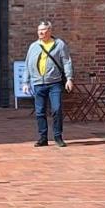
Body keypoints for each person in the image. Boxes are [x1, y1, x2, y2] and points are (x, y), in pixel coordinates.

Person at [26, 20, 72, 148]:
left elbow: (66, 61)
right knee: (40, 112)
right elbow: (27, 64)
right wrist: (25, 82)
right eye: (39, 30)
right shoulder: (33, 46)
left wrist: (69, 78)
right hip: (38, 84)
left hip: (54, 83)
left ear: (50, 31)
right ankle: (43, 138)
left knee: (56, 109)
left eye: (43, 30)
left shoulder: (59, 44)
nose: (40, 32)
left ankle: (58, 136)